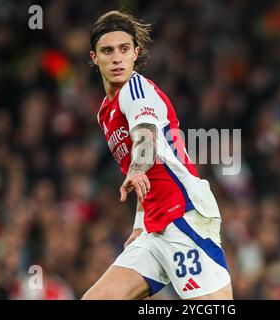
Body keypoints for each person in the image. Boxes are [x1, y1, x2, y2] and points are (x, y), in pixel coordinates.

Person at [82, 10, 233, 300]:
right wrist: (139, 225)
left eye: (124, 49)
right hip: (154, 227)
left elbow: (146, 133)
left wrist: (137, 167)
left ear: (135, 53)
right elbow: (145, 179)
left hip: (184, 215)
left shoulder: (135, 90)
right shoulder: (105, 111)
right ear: (94, 57)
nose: (116, 58)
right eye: (107, 51)